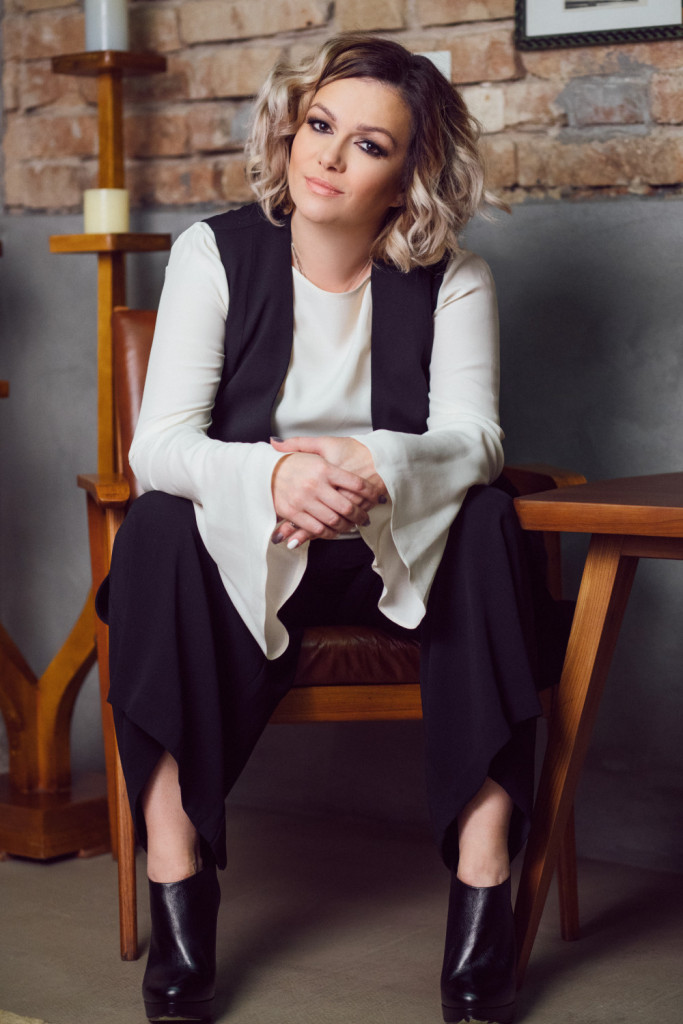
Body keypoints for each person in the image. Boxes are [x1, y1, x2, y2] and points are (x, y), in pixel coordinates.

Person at [97, 33, 547, 1024]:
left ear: (409, 176)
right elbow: (158, 447)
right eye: (319, 125)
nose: (329, 157)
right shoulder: (213, 252)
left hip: (393, 558)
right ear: (291, 128)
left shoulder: (456, 278)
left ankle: (484, 870)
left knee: (487, 519)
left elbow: (474, 439)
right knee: (157, 526)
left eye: (368, 145)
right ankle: (176, 864)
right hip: (245, 555)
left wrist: (374, 464)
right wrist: (276, 475)